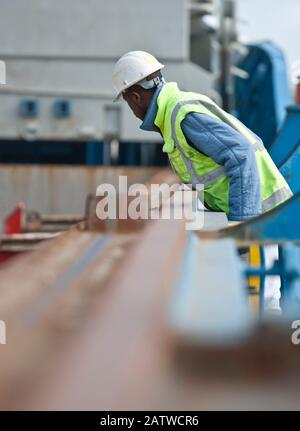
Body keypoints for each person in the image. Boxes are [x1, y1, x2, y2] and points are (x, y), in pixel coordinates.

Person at [112, 50, 293, 312]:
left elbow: (241, 156)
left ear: (136, 96)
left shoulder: (182, 115)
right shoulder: (175, 112)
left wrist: (242, 226)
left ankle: (270, 350)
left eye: (129, 103)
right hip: (256, 213)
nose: (132, 110)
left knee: (262, 300)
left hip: (259, 216)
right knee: (256, 298)